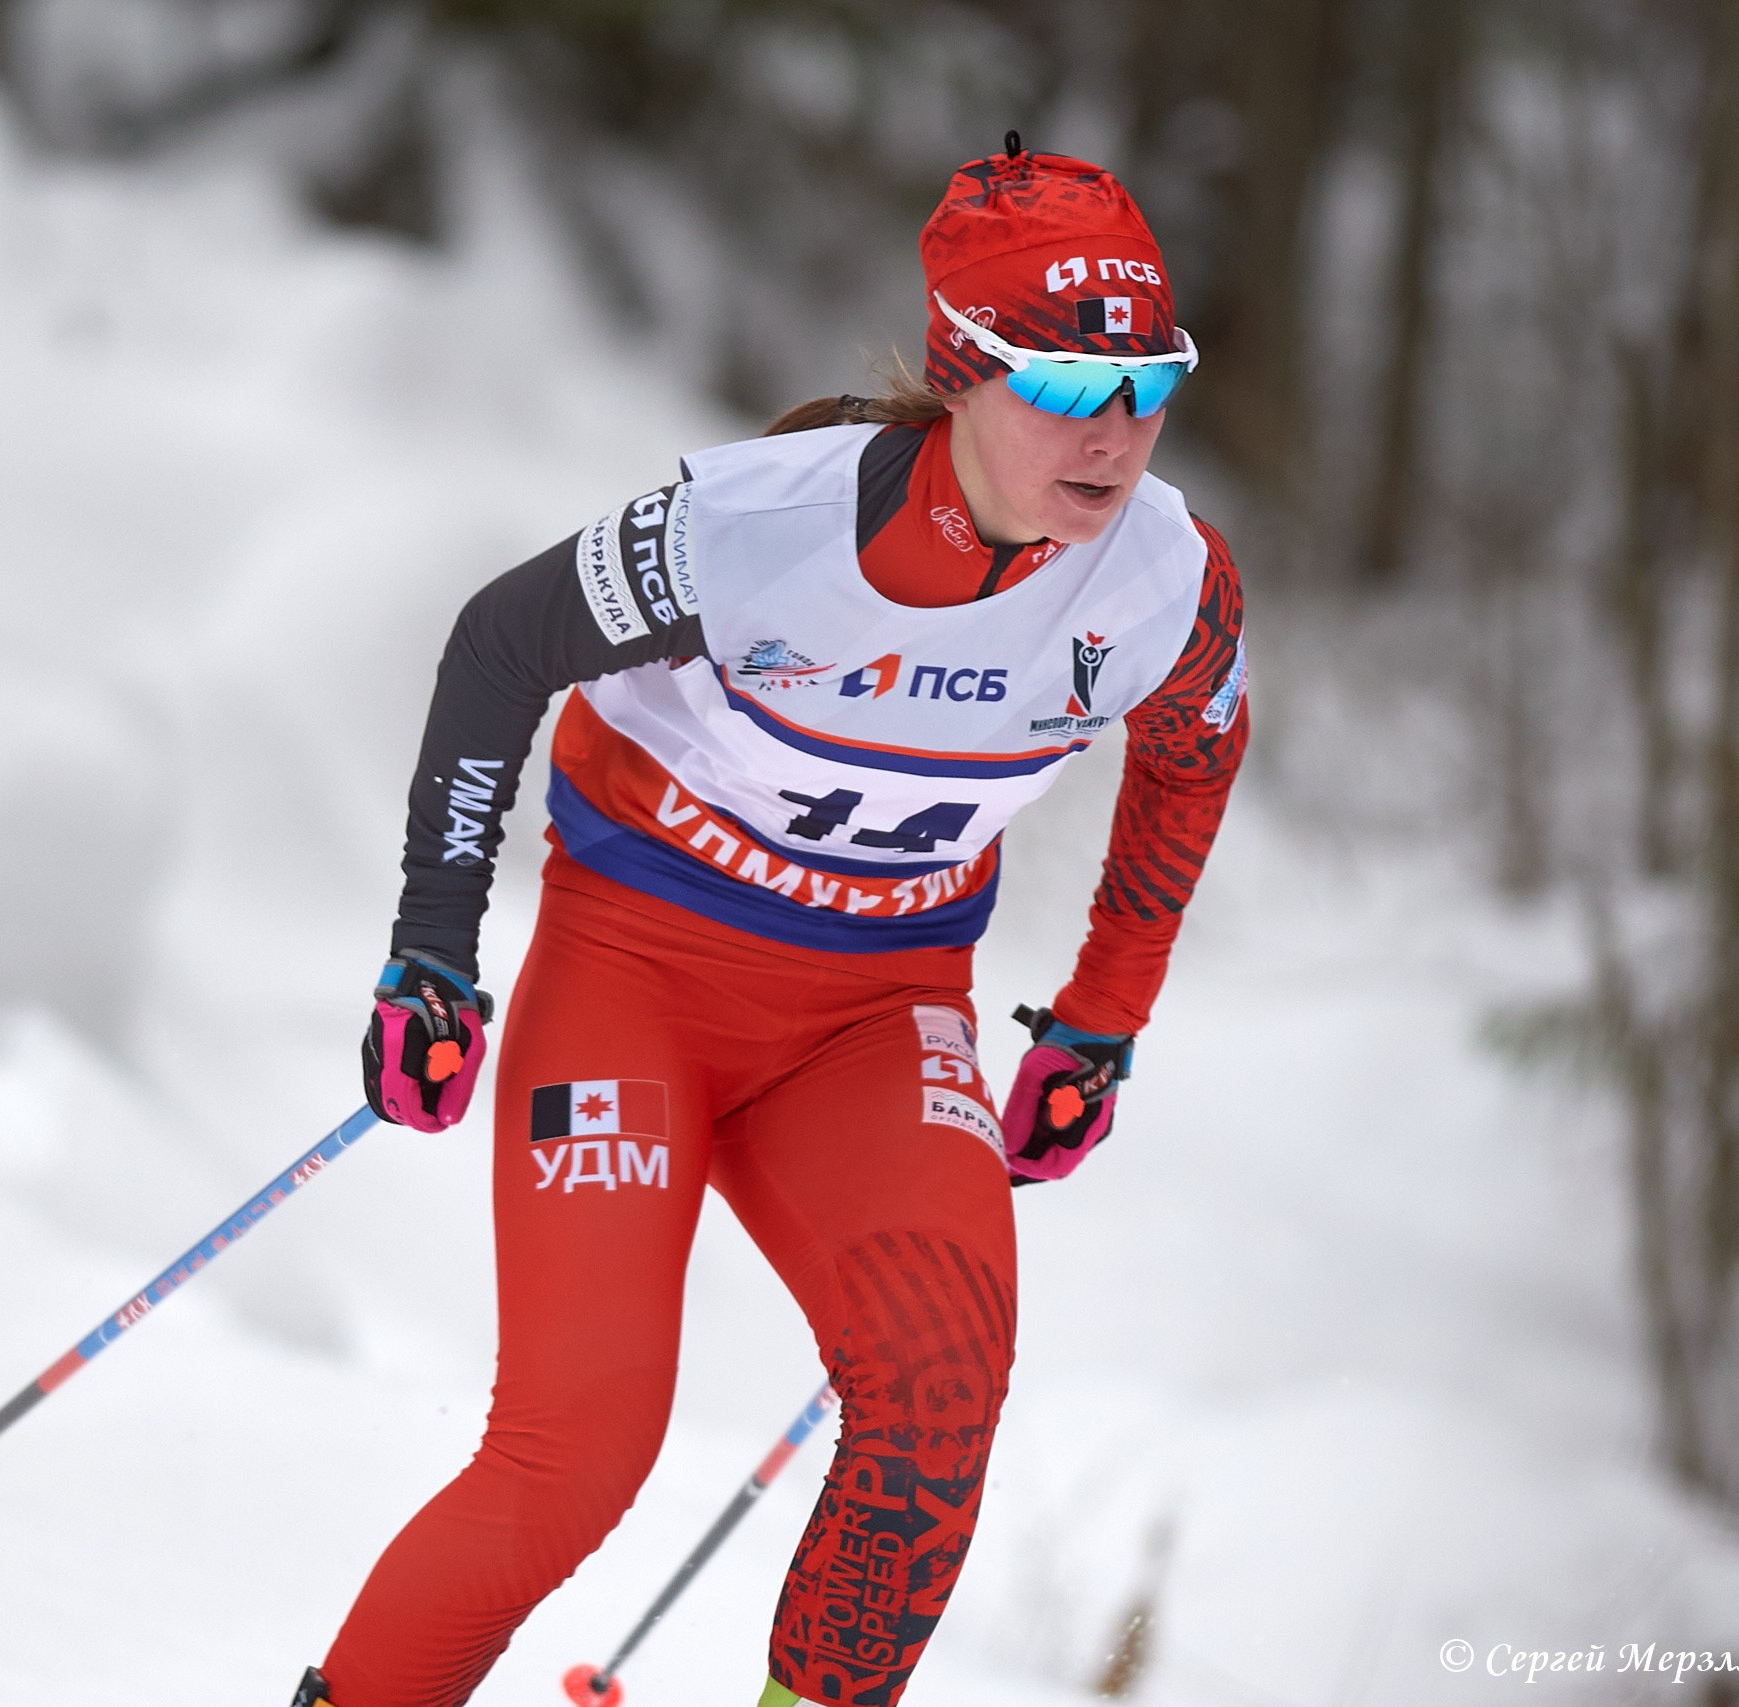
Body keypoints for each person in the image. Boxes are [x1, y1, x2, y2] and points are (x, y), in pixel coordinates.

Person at [294, 140, 1249, 1707]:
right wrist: (433, 951)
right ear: (963, 373)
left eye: (1149, 384)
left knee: (938, 1398)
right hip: (639, 981)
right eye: (1069, 389)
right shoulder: (759, 530)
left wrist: (1100, 1018)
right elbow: (495, 649)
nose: (1117, 435)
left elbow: (1198, 751)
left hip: (876, 1015)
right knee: (575, 1454)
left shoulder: (1163, 579)